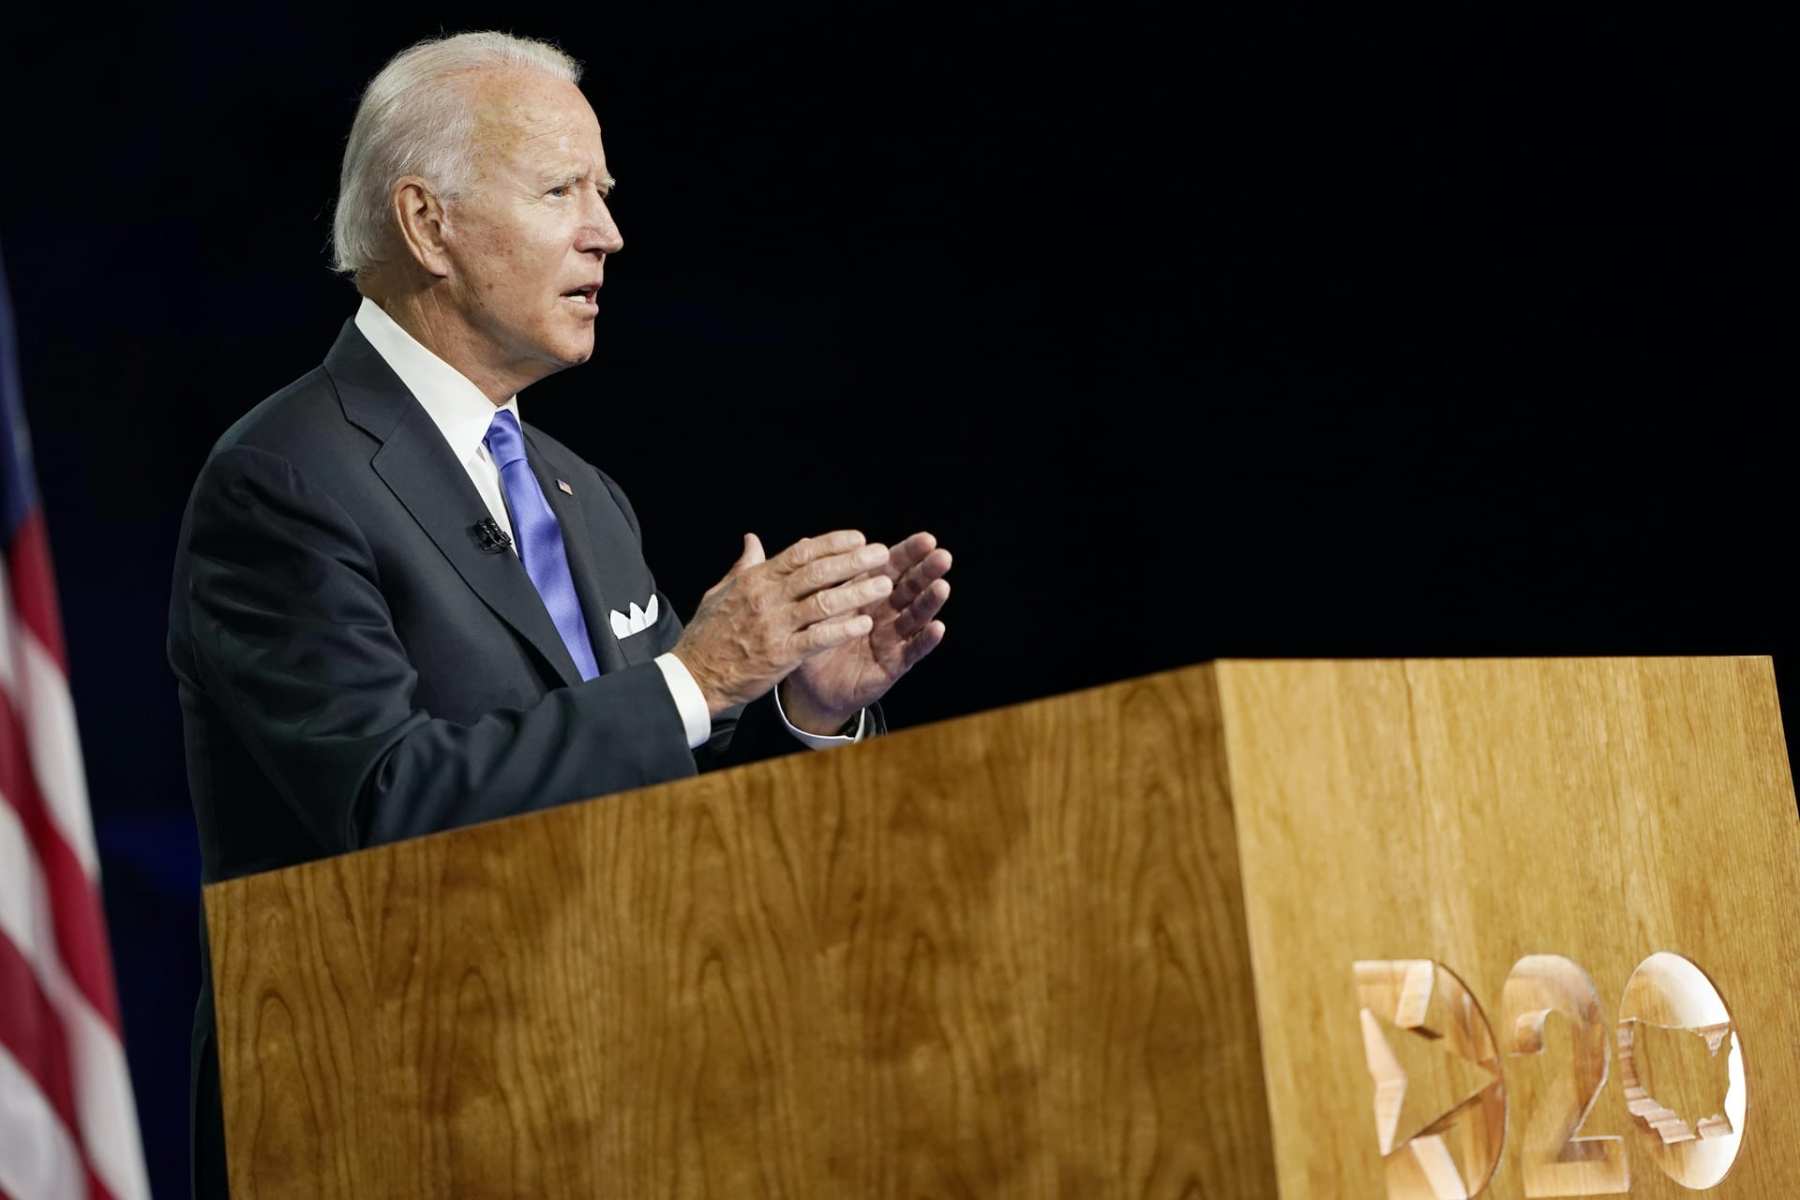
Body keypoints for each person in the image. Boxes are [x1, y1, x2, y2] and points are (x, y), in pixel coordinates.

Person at [166, 30, 951, 1197]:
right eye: (561, 191)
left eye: (606, 194)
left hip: (628, 1093)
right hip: (392, 1107)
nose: (608, 232)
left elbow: (663, 787)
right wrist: (697, 678)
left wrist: (802, 709)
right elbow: (387, 798)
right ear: (427, 224)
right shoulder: (285, 477)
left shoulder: (585, 496)